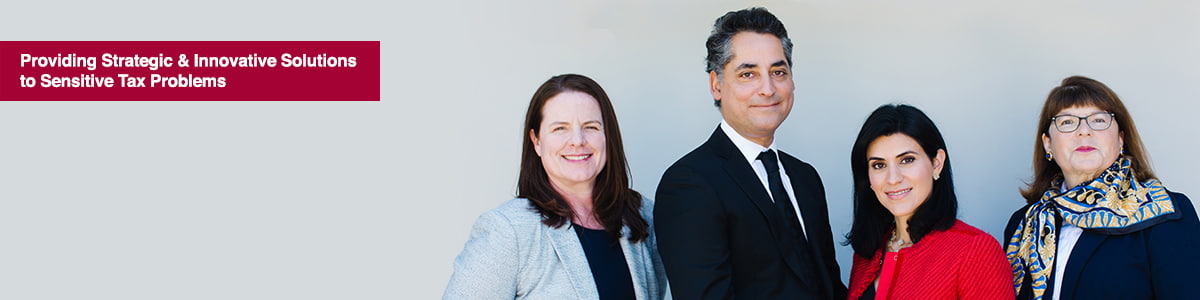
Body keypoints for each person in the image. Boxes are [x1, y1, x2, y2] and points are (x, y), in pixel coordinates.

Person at [654, 7, 847, 299]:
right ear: (716, 85)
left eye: (778, 72)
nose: (768, 89)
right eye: (748, 74)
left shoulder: (805, 177)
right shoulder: (689, 184)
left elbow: (829, 288)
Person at [443, 74, 668, 300]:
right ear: (537, 141)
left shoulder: (642, 217)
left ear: (608, 136)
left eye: (591, 127)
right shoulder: (508, 231)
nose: (577, 141)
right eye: (560, 128)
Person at [1004, 76, 1200, 299]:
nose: (1084, 131)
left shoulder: (1166, 213)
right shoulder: (1024, 224)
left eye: (1098, 120)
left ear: (1121, 139)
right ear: (1048, 143)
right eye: (1067, 122)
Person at [843, 104, 1012, 299]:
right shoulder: (867, 254)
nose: (893, 178)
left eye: (906, 160)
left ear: (936, 163)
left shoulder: (975, 250)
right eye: (879, 165)